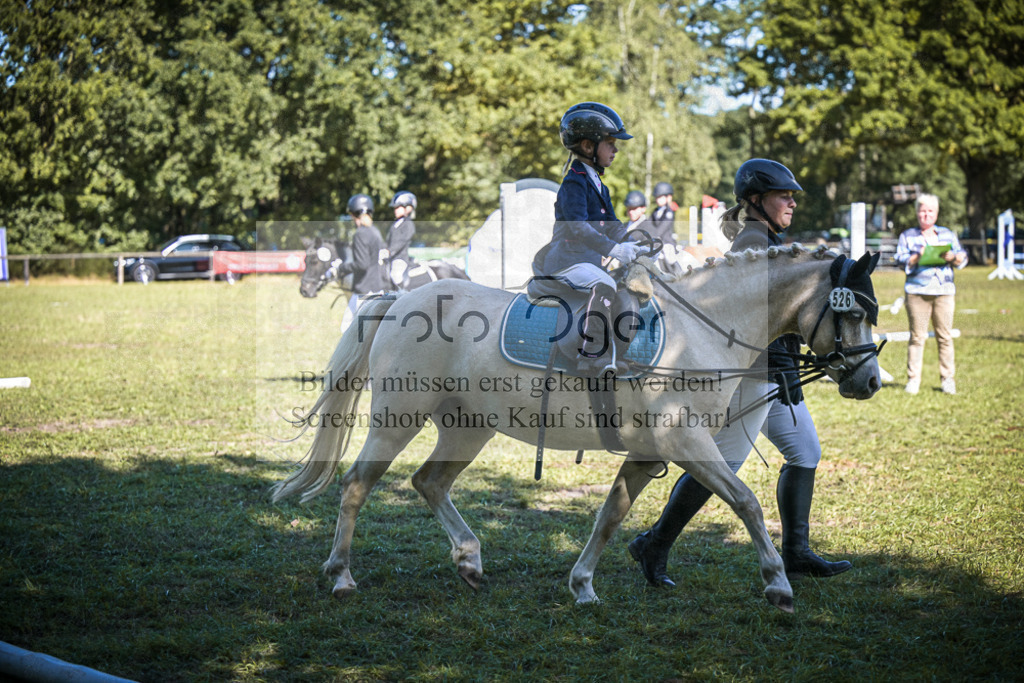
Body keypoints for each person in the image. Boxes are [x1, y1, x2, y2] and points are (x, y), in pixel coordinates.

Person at [628, 158, 855, 586]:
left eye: (792, 196)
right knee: (723, 464)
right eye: (783, 195)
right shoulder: (753, 243)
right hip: (752, 375)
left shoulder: (769, 239)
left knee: (804, 451)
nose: (791, 202)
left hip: (770, 374)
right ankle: (654, 543)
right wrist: (784, 364)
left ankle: (796, 552)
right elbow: (754, 318)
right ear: (756, 200)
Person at [532, 101, 641, 376]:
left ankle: (615, 351)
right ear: (588, 146)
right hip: (565, 262)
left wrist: (635, 241)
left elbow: (612, 225)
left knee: (622, 288)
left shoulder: (599, 183)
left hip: (587, 263)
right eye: (610, 143)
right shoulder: (574, 182)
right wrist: (614, 249)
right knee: (604, 283)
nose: (615, 150)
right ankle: (589, 354)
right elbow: (579, 227)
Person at [894, 193, 967, 395]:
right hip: (917, 292)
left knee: (945, 337)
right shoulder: (907, 236)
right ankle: (913, 379)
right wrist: (917, 257)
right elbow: (899, 259)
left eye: (930, 211)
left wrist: (954, 257)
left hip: (944, 292)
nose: (926, 215)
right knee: (917, 337)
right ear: (917, 213)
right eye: (922, 211)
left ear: (936, 213)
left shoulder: (947, 234)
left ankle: (947, 379)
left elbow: (962, 257)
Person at [338, 194, 388, 331]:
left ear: (355, 214)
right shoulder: (375, 232)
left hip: (364, 289)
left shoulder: (360, 234)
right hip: (378, 287)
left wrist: (342, 268)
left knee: (346, 328)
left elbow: (362, 264)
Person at [384, 191, 418, 290]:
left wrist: (390, 251)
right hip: (390, 257)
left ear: (408, 208)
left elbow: (402, 242)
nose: (395, 210)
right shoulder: (394, 225)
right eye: (395, 208)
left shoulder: (408, 224)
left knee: (395, 274)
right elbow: (388, 241)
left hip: (400, 258)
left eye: (398, 207)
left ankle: (399, 296)